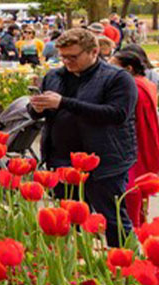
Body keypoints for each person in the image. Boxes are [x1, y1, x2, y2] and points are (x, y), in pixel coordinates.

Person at [29, 28, 138, 247]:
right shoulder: (54, 76)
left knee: (113, 219)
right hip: (62, 160)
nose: (68, 62)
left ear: (94, 51)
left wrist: (64, 103)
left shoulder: (117, 78)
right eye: (63, 57)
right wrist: (37, 108)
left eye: (73, 57)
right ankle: (80, 265)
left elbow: (117, 114)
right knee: (68, 220)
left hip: (104, 161)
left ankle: (125, 265)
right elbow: (45, 113)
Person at [112, 50, 159, 227]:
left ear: (128, 69)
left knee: (132, 190)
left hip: (134, 144)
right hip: (145, 142)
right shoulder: (146, 83)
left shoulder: (133, 87)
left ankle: (133, 229)